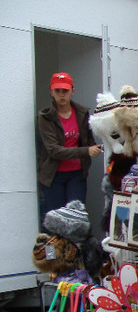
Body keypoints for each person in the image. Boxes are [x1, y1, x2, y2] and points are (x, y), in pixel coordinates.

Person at [37, 72, 101, 219]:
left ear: (72, 91)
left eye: (65, 90)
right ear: (51, 92)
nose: (61, 95)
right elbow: (54, 150)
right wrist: (86, 151)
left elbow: (89, 141)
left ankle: (75, 243)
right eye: (57, 91)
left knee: (76, 218)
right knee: (56, 220)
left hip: (76, 174)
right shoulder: (45, 117)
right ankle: (57, 243)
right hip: (54, 176)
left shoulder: (82, 113)